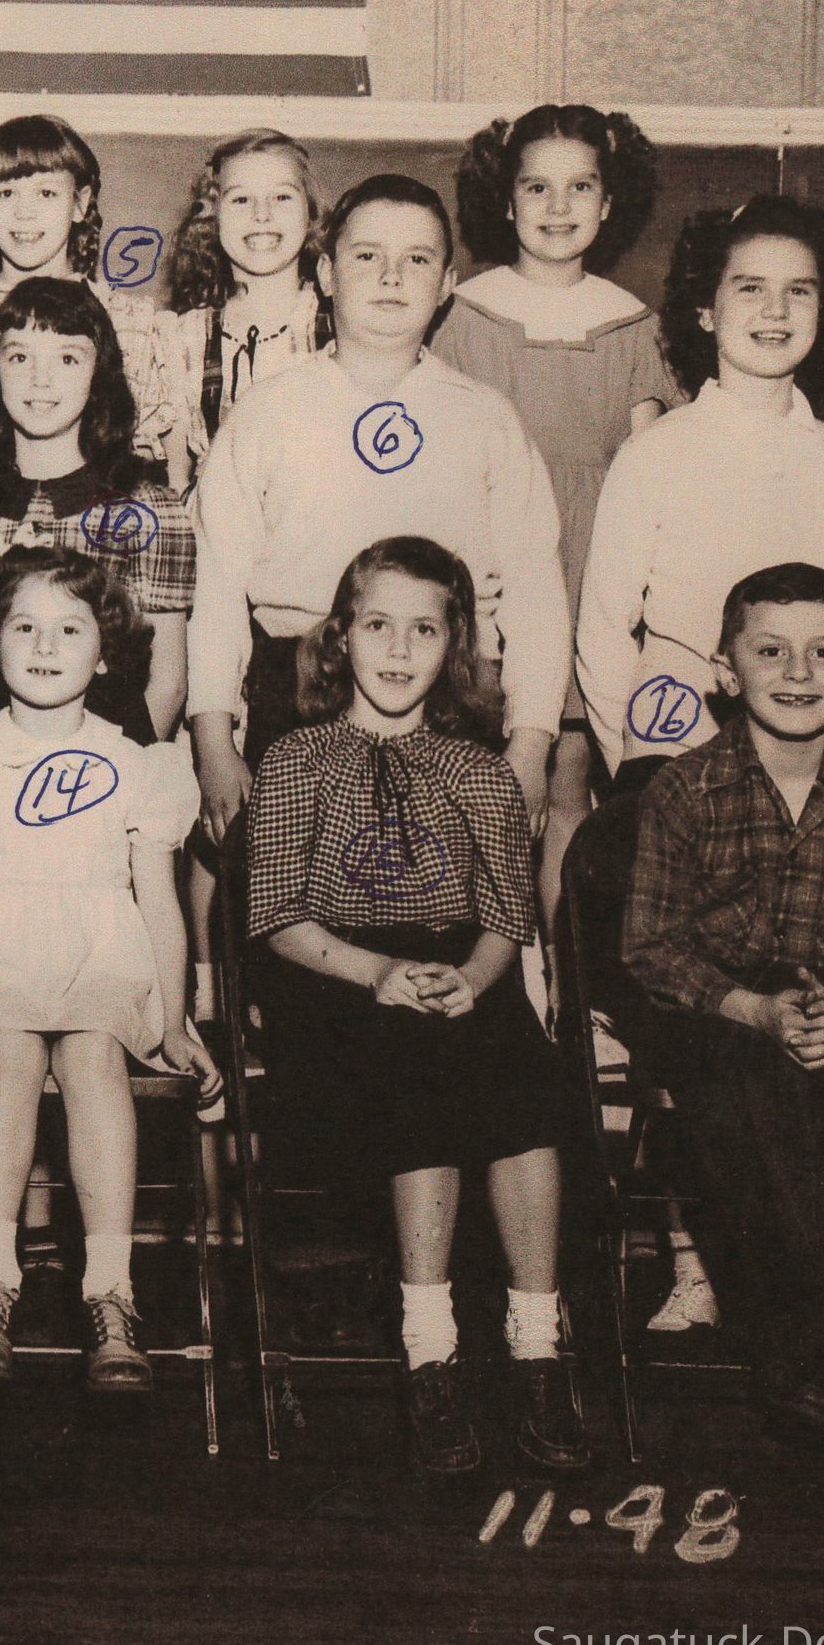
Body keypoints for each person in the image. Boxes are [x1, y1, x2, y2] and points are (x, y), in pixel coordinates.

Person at [246, 536, 586, 1478]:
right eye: (378, 626)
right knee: (419, 1060)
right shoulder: (296, 759)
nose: (398, 650)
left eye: (424, 630)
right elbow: (277, 917)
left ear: (455, 646)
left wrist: (473, 978)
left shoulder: (478, 770)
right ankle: (431, 1350)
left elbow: (507, 917)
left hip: (459, 968)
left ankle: (536, 1347)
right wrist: (379, 973)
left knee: (521, 1071)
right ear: (340, 637)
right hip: (334, 975)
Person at [622, 562, 824, 1482]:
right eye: (770, 652)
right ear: (726, 670)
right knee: (759, 1095)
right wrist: (756, 1011)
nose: (798, 673)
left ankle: (799, 1360)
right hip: (721, 1010)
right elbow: (652, 946)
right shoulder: (684, 789)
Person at [0, 547, 215, 1394]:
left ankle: (110, 1292)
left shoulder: (139, 762)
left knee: (94, 1054)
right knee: (11, 1048)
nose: (46, 645)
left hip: (103, 961)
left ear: (105, 654)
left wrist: (176, 1021)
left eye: (70, 629)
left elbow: (161, 903)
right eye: (24, 627)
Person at [190, 172, 569, 843]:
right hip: (297, 689)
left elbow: (537, 595)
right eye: (367, 255)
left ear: (447, 284)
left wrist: (530, 745)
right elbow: (218, 591)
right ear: (326, 274)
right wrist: (215, 743)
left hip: (451, 693)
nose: (392, 276)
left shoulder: (487, 420)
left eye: (417, 259)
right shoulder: (267, 413)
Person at [436, 103, 681, 935]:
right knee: (469, 784)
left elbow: (647, 475)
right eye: (536, 186)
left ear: (609, 204)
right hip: (485, 572)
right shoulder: (460, 314)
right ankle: (486, 975)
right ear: (506, 201)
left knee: (566, 788)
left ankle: (564, 981)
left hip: (586, 576)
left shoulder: (632, 324)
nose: (558, 205)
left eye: (581, 187)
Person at [575, 192, 824, 785]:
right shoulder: (654, 453)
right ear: (706, 310)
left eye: (799, 291)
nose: (776, 310)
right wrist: (636, 773)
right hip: (675, 755)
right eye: (750, 288)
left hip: (807, 769)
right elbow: (602, 631)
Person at [0, 276, 192, 740]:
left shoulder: (148, 510)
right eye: (19, 357)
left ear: (99, 377)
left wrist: (126, 769)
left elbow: (167, 683)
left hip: (114, 758)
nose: (41, 379)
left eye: (68, 358)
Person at [0, 114, 178, 489]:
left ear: (80, 203)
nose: (24, 212)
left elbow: (143, 460)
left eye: (46, 193)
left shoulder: (128, 320)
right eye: (6, 194)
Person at [160, 128, 330, 471]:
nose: (262, 214)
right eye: (240, 200)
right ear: (212, 217)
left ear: (310, 213)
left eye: (282, 197)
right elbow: (176, 478)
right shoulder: (183, 338)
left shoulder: (339, 324)